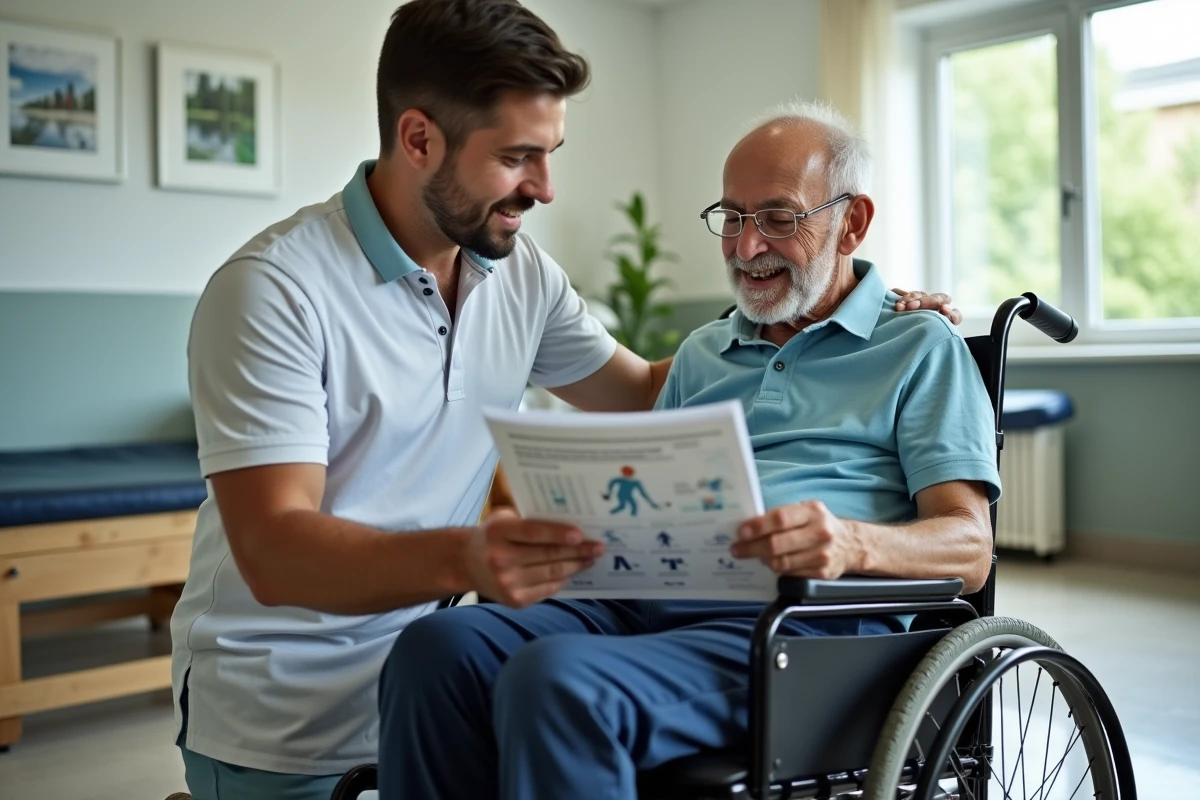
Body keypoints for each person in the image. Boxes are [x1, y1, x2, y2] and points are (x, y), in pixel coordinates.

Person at [170, 0, 955, 797]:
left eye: (550, 153)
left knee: (527, 677)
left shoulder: (518, 273)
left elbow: (645, 387)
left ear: (850, 225)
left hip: (716, 632)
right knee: (452, 655)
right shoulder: (273, 292)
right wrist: (471, 557)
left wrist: (860, 307)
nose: (546, 188)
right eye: (518, 157)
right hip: (286, 713)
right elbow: (273, 551)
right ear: (418, 140)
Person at [375, 100, 1002, 800]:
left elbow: (970, 550)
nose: (746, 246)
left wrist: (853, 543)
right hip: (651, 599)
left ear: (851, 222)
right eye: (732, 217)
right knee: (436, 650)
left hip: (803, 630)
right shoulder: (704, 353)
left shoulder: (919, 346)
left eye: (779, 217)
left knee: (559, 684)